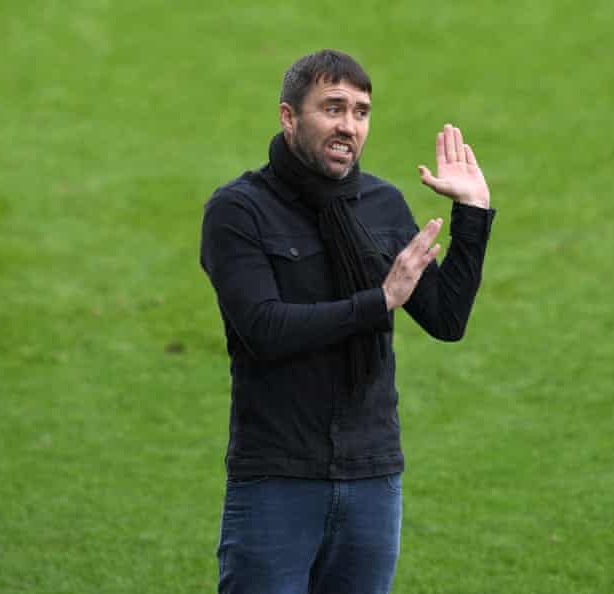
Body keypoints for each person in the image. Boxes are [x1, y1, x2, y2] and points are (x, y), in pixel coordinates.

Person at [200, 49, 497, 594]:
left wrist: (473, 214)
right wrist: (377, 303)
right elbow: (264, 329)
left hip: (372, 477)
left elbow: (446, 318)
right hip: (277, 479)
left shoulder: (381, 205)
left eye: (360, 112)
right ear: (289, 117)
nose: (348, 126)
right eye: (332, 108)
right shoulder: (239, 211)